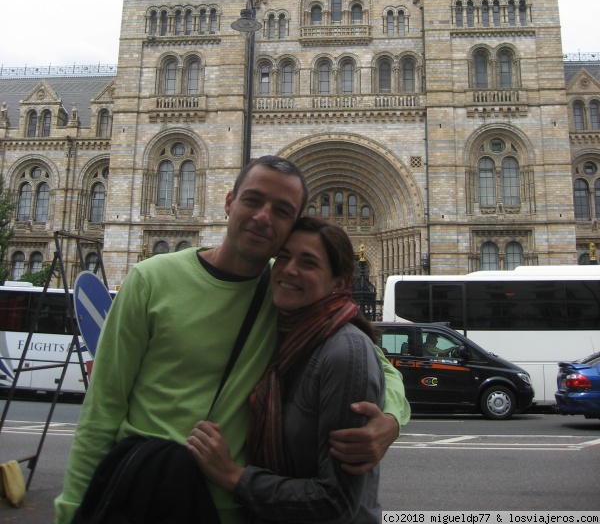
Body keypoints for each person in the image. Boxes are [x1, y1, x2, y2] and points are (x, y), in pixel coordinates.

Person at [55, 156, 409, 524]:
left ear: (291, 226)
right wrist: (71, 514)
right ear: (229, 201)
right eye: (253, 200)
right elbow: (102, 411)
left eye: (282, 211)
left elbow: (375, 362)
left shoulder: (286, 291)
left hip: (236, 507)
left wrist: (390, 420)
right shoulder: (149, 280)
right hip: (149, 494)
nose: (262, 217)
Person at [187, 216, 386, 523]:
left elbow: (336, 502)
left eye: (309, 262)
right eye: (283, 257)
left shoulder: (345, 350)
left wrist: (233, 477)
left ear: (340, 282)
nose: (290, 269)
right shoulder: (278, 329)